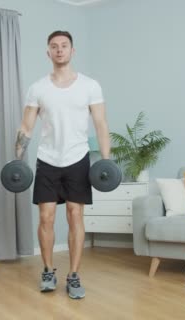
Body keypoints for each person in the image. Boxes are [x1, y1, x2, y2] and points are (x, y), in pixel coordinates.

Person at [15, 30, 111, 299]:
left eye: (64, 46)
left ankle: (74, 275)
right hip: (47, 159)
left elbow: (101, 124)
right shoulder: (38, 88)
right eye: (54, 46)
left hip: (77, 158)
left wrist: (106, 160)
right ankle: (47, 270)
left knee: (74, 215)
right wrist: (17, 160)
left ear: (72, 51)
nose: (59, 50)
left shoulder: (90, 86)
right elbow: (26, 126)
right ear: (48, 52)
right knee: (45, 217)